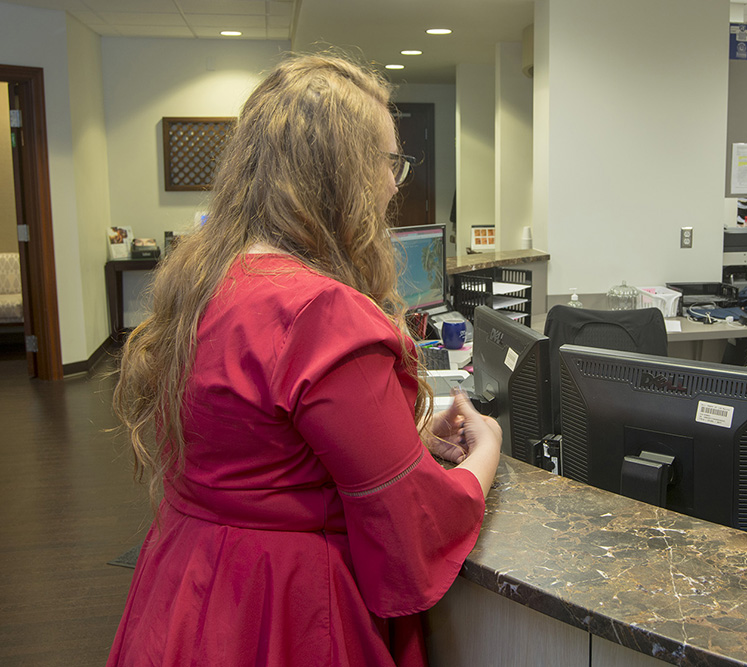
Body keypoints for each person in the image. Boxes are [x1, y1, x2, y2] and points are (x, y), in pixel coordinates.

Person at [107, 53, 502, 667]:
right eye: (389, 162)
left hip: (188, 585)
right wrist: (487, 452)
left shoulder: (208, 279)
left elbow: (271, 450)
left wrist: (403, 437)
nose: (396, 184)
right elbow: (412, 525)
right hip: (282, 607)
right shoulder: (322, 313)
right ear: (340, 173)